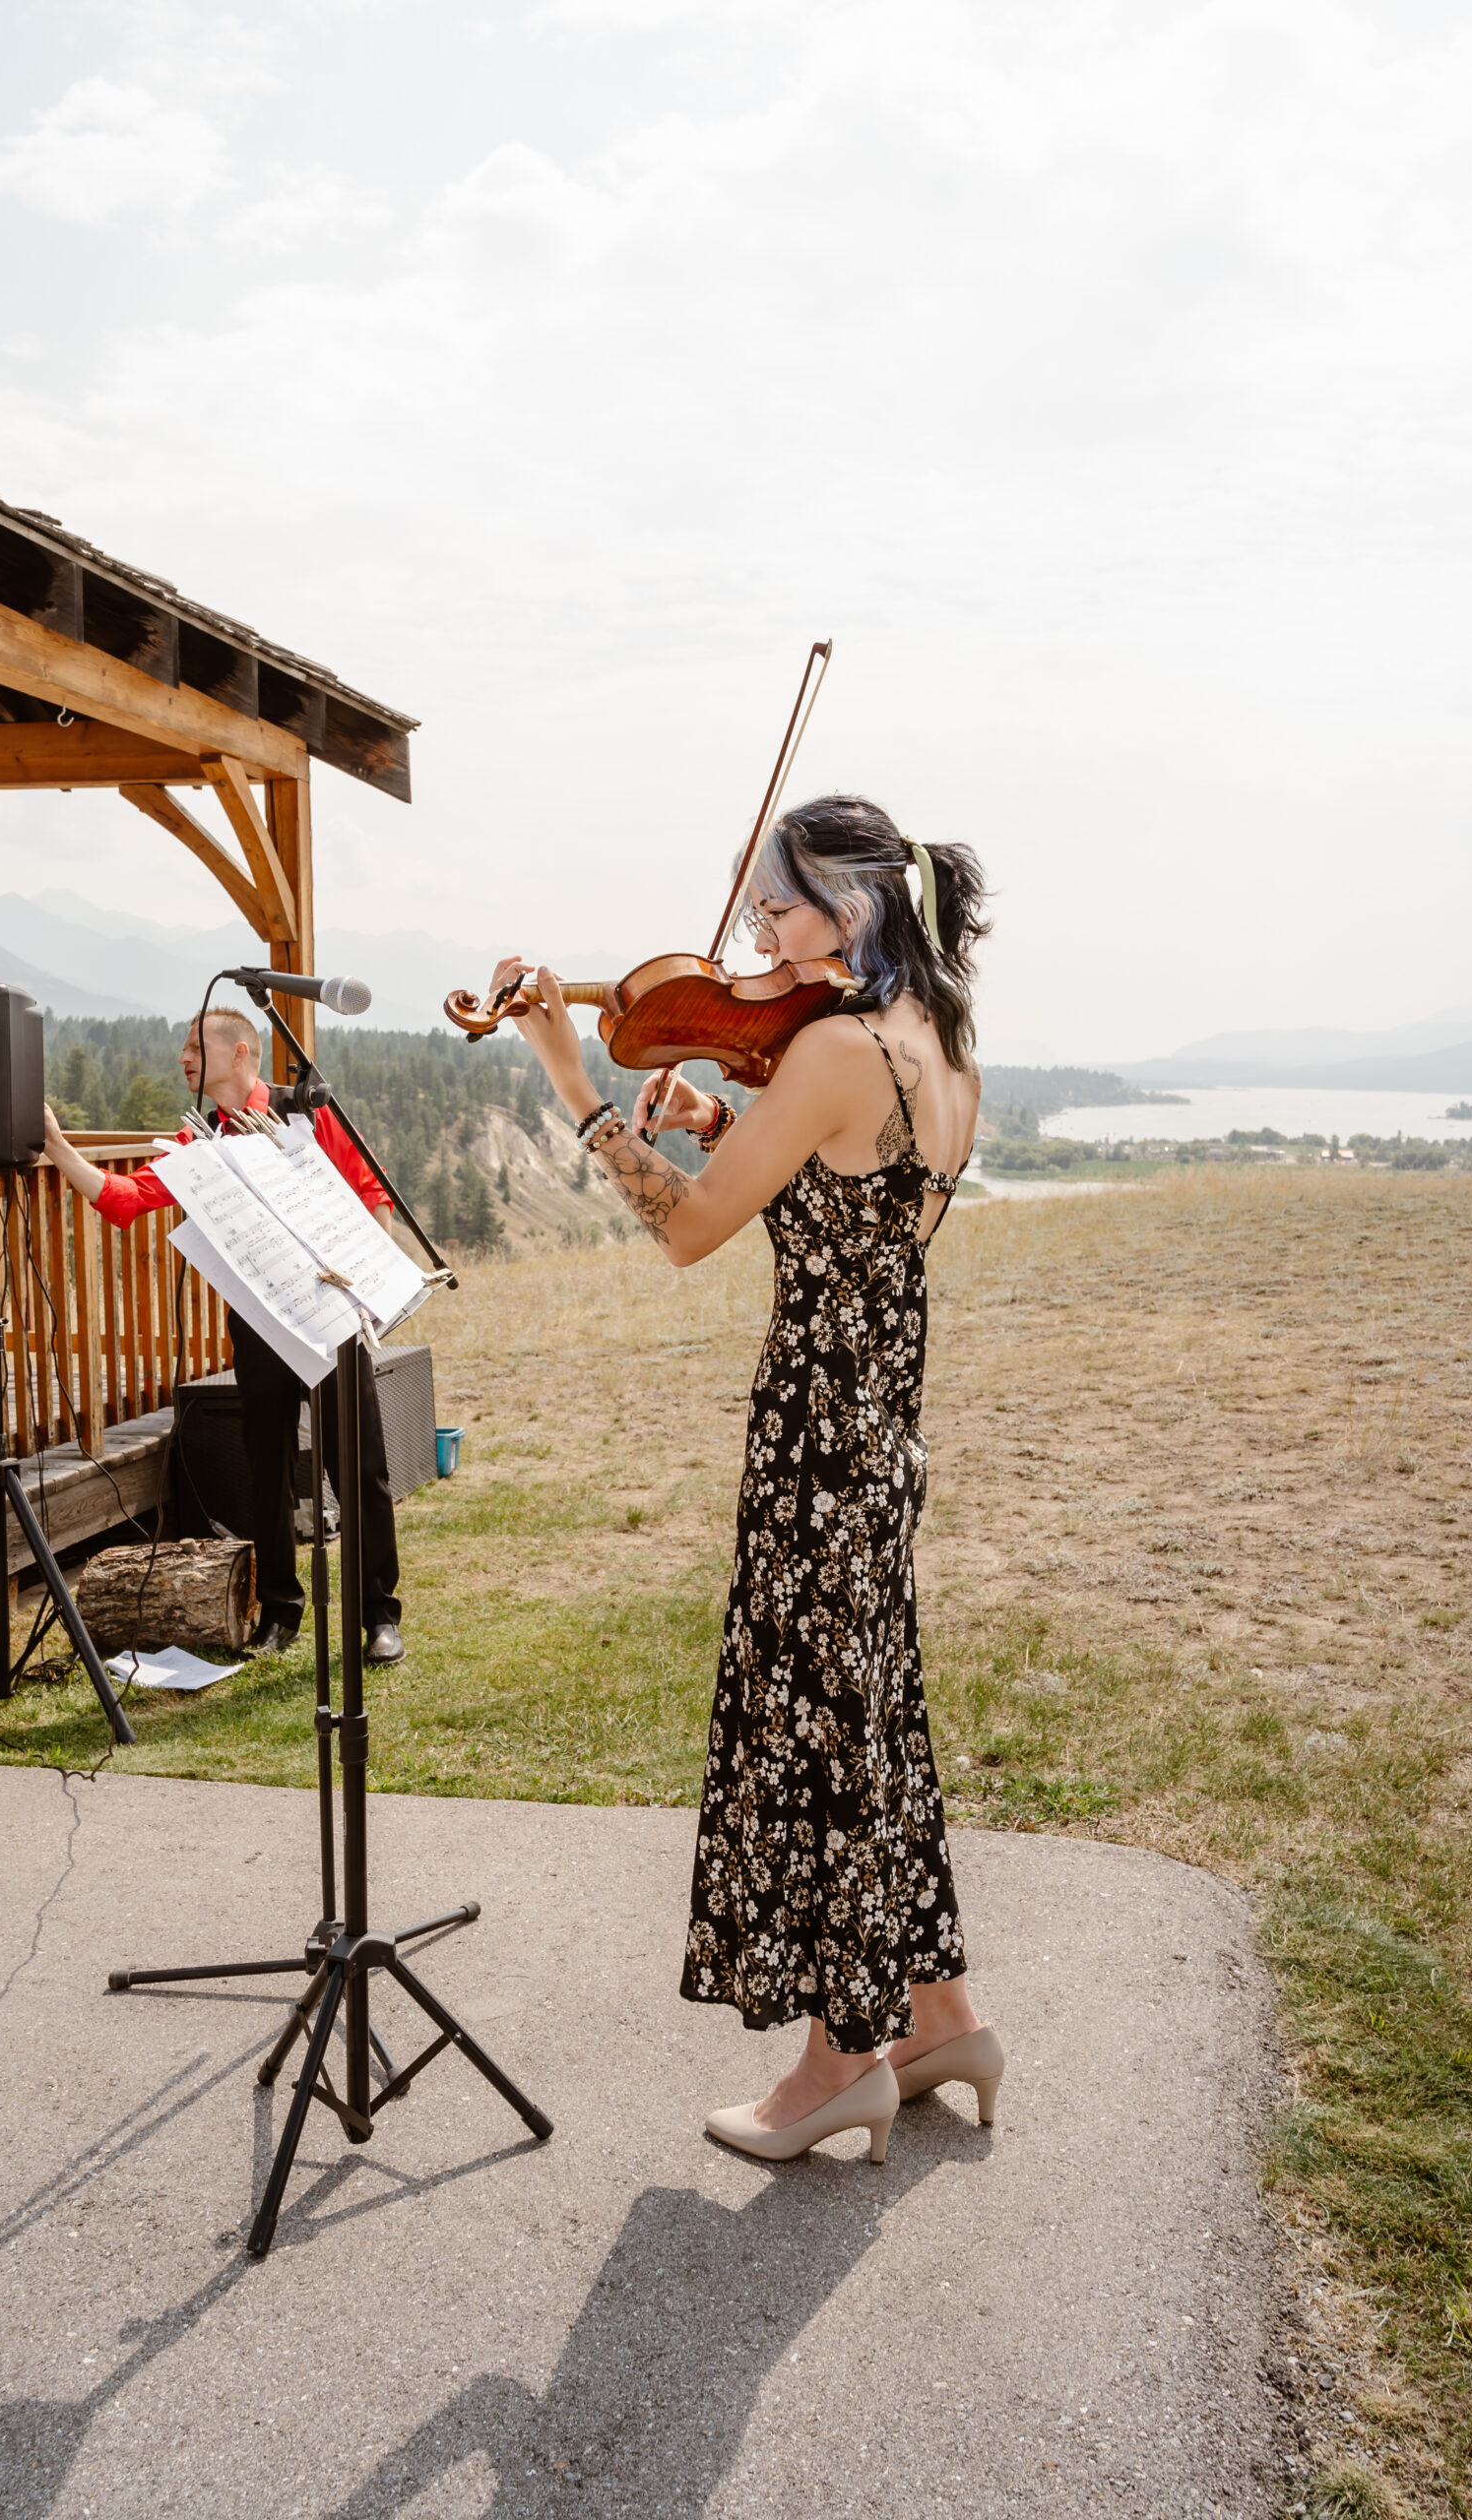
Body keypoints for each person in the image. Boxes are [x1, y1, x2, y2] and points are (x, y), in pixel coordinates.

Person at [493, 792, 1005, 2164]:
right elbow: (852, 1205)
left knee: (823, 1744)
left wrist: (572, 1079)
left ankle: (837, 2066)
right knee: (875, 1722)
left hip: (812, 1447)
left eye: (774, 907)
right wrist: (731, 1124)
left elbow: (687, 1235)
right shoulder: (938, 1046)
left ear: (849, 905)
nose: (758, 939)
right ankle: (941, 2016)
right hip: (881, 1431)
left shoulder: (833, 1045)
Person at [40, 1007, 408, 1666]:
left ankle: (379, 1615)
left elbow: (370, 1188)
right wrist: (58, 1147)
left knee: (359, 1469)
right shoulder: (196, 1145)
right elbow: (125, 1198)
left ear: (240, 1052)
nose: (182, 1058)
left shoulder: (309, 1111)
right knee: (264, 1469)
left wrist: (371, 1289)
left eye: (193, 1047)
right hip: (260, 1321)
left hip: (333, 1315)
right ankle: (279, 1613)